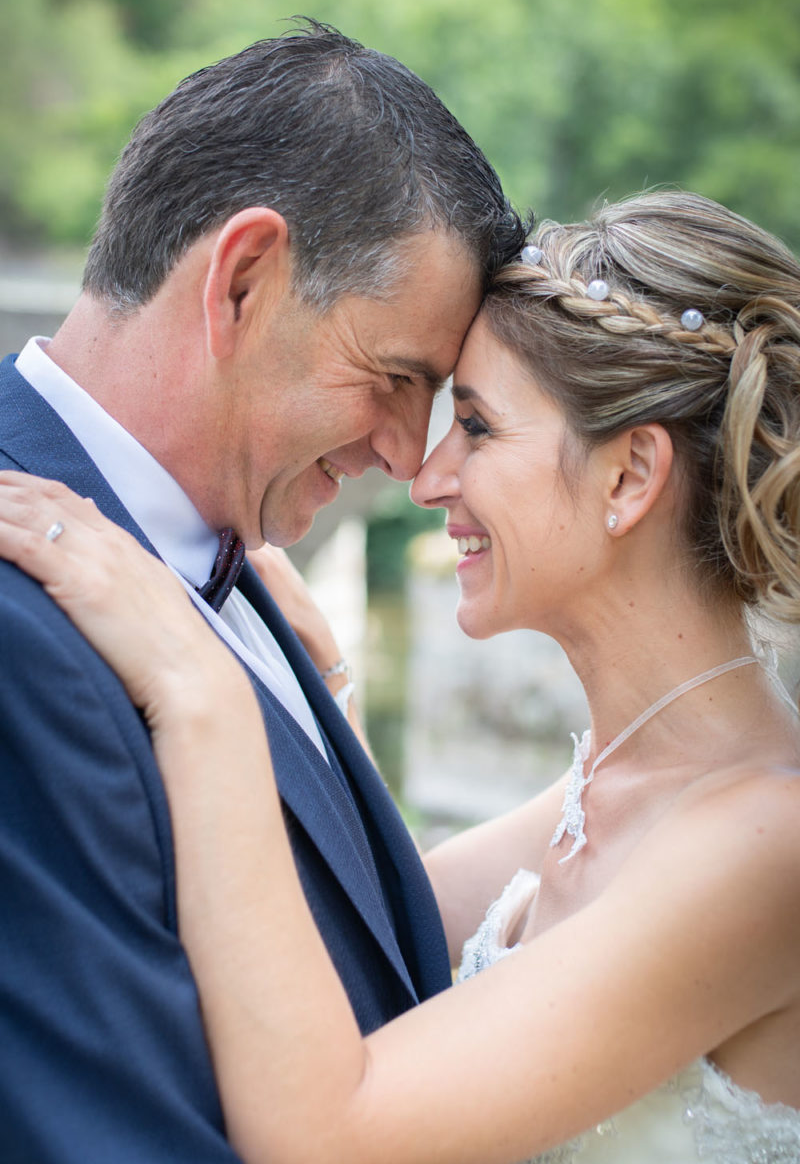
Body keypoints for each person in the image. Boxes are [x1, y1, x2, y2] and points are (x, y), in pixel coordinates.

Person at [2, 189, 799, 1163]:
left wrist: (201, 688)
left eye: (477, 427)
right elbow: (367, 938)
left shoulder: (770, 845)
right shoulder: (609, 785)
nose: (425, 479)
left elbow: (328, 1131)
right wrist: (319, 695)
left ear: (628, 476)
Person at [0, 19, 526, 1162]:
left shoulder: (238, 580)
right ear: (240, 281)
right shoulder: (14, 624)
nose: (404, 454)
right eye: (394, 378)